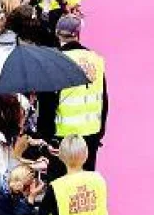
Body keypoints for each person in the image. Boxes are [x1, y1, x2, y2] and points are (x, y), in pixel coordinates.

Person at [37, 14, 107, 171]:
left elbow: (47, 103)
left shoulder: (53, 62)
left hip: (63, 137)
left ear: (57, 34)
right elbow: (104, 99)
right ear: (78, 34)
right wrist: (100, 131)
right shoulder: (95, 59)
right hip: (91, 132)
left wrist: (46, 138)